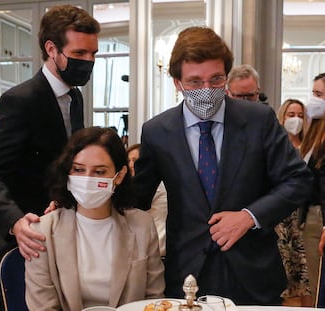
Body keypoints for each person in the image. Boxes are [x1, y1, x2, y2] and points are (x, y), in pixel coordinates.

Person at [133, 26, 313, 305]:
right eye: (194, 82)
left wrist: (248, 216)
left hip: (253, 273)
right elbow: (136, 198)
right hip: (188, 275)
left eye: (216, 79)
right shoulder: (157, 131)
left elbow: (298, 180)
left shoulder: (258, 120)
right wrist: (69, 203)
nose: (206, 90)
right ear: (177, 83)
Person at [0, 4, 100, 267]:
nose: (88, 61)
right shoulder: (19, 100)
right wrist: (16, 221)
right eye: (79, 52)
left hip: (61, 231)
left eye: (93, 53)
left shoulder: (75, 97)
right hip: (24, 238)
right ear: (51, 49)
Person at [25, 127, 164, 310]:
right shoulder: (43, 231)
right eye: (78, 169)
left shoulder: (142, 226)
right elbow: (42, 306)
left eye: (99, 172)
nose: (87, 179)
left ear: (119, 175)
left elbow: (154, 300)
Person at [276, 99, 312, 307]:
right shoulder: (276, 144)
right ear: (283, 116)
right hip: (282, 211)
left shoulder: (310, 145)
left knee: (304, 265)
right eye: (291, 114)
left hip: (304, 211)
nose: (295, 120)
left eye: (300, 115)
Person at [300, 73, 325, 305]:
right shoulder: (315, 133)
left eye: (319, 95)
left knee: (319, 285)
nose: (313, 101)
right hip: (310, 215)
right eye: (313, 94)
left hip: (320, 216)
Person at [127, 143, 167, 257]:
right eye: (128, 160)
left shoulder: (153, 187)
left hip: (157, 252)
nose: (131, 165)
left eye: (134, 160)